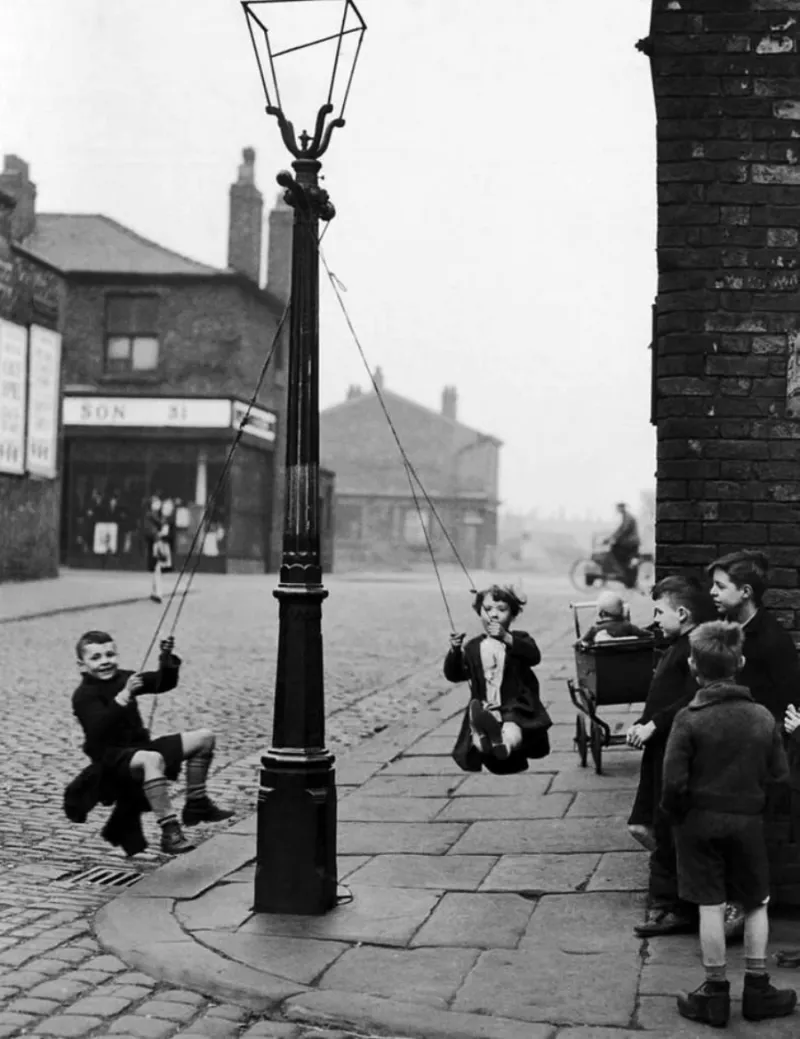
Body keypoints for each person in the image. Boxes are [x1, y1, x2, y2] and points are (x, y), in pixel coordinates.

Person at [661, 621, 796, 1027]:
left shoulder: (688, 719)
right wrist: (763, 815)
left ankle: (714, 994)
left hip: (698, 823)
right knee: (756, 901)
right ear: (740, 661)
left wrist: (677, 816)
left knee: (710, 904)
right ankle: (757, 988)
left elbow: (672, 782)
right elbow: (779, 776)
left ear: (691, 665)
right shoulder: (761, 718)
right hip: (748, 822)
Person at [68, 630, 233, 855]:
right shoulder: (83, 695)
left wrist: (166, 658)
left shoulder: (124, 677)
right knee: (152, 759)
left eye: (110, 655)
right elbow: (99, 729)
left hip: (140, 749)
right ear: (82, 665)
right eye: (96, 658)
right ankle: (170, 831)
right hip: (110, 761)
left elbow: (162, 683)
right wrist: (124, 695)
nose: (105, 662)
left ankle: (197, 803)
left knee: (205, 738)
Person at [708, 549, 800, 938]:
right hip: (728, 746)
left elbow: (788, 705)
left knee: (746, 834)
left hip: (757, 755)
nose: (712, 592)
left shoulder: (772, 641)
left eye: (720, 585)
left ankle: (744, 906)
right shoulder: (727, 629)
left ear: (745, 592)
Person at [627, 575, 717, 938]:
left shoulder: (695, 648)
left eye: (659, 612)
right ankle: (679, 896)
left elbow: (694, 699)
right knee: (646, 825)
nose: (654, 619)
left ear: (681, 613)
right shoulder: (679, 644)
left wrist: (654, 724)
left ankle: (673, 906)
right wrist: (644, 722)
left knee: (662, 828)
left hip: (672, 751)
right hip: (659, 750)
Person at [446, 584, 552, 775]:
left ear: (512, 615)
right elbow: (455, 674)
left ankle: (503, 745)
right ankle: (486, 741)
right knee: (478, 737)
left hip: (514, 704)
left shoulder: (519, 638)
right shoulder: (473, 646)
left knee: (512, 728)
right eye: (487, 610)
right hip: (486, 705)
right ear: (479, 613)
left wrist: (506, 638)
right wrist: (454, 651)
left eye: (501, 610)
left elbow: (533, 656)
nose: (494, 615)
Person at [578, 590, 651, 647]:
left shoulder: (595, 630)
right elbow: (647, 634)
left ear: (602, 613)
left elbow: (580, 644)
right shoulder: (628, 626)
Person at [143, 496, 171, 604]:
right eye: (156, 502)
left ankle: (156, 592)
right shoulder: (151, 516)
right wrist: (160, 533)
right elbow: (150, 530)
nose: (158, 504)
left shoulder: (158, 516)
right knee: (157, 567)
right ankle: (157, 592)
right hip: (156, 543)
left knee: (157, 567)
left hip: (157, 543)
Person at [607, 502, 641, 588]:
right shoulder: (626, 517)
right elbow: (620, 529)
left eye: (618, 508)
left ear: (622, 508)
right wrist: (611, 537)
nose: (617, 510)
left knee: (615, 550)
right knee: (624, 557)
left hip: (631, 543)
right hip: (630, 542)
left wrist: (614, 538)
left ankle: (628, 577)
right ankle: (628, 578)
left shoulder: (628, 517)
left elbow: (624, 530)